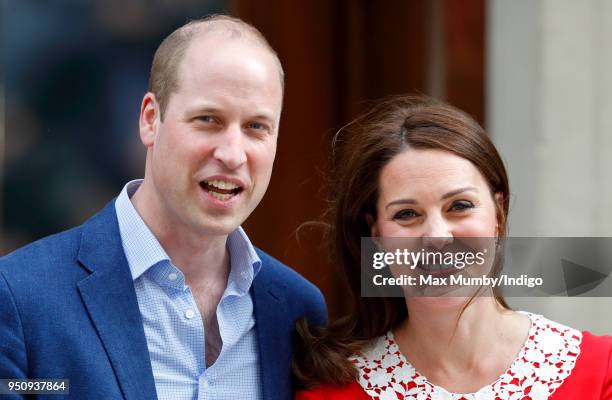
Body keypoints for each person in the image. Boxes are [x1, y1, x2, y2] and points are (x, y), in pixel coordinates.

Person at [0, 15, 327, 400]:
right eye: (208, 120)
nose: (232, 153)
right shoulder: (20, 296)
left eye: (256, 127)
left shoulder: (297, 310)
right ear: (150, 119)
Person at [293, 95, 612, 399]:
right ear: (377, 235)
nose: (436, 235)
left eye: (459, 206)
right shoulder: (330, 392)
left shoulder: (600, 371)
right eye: (407, 214)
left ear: (498, 214)